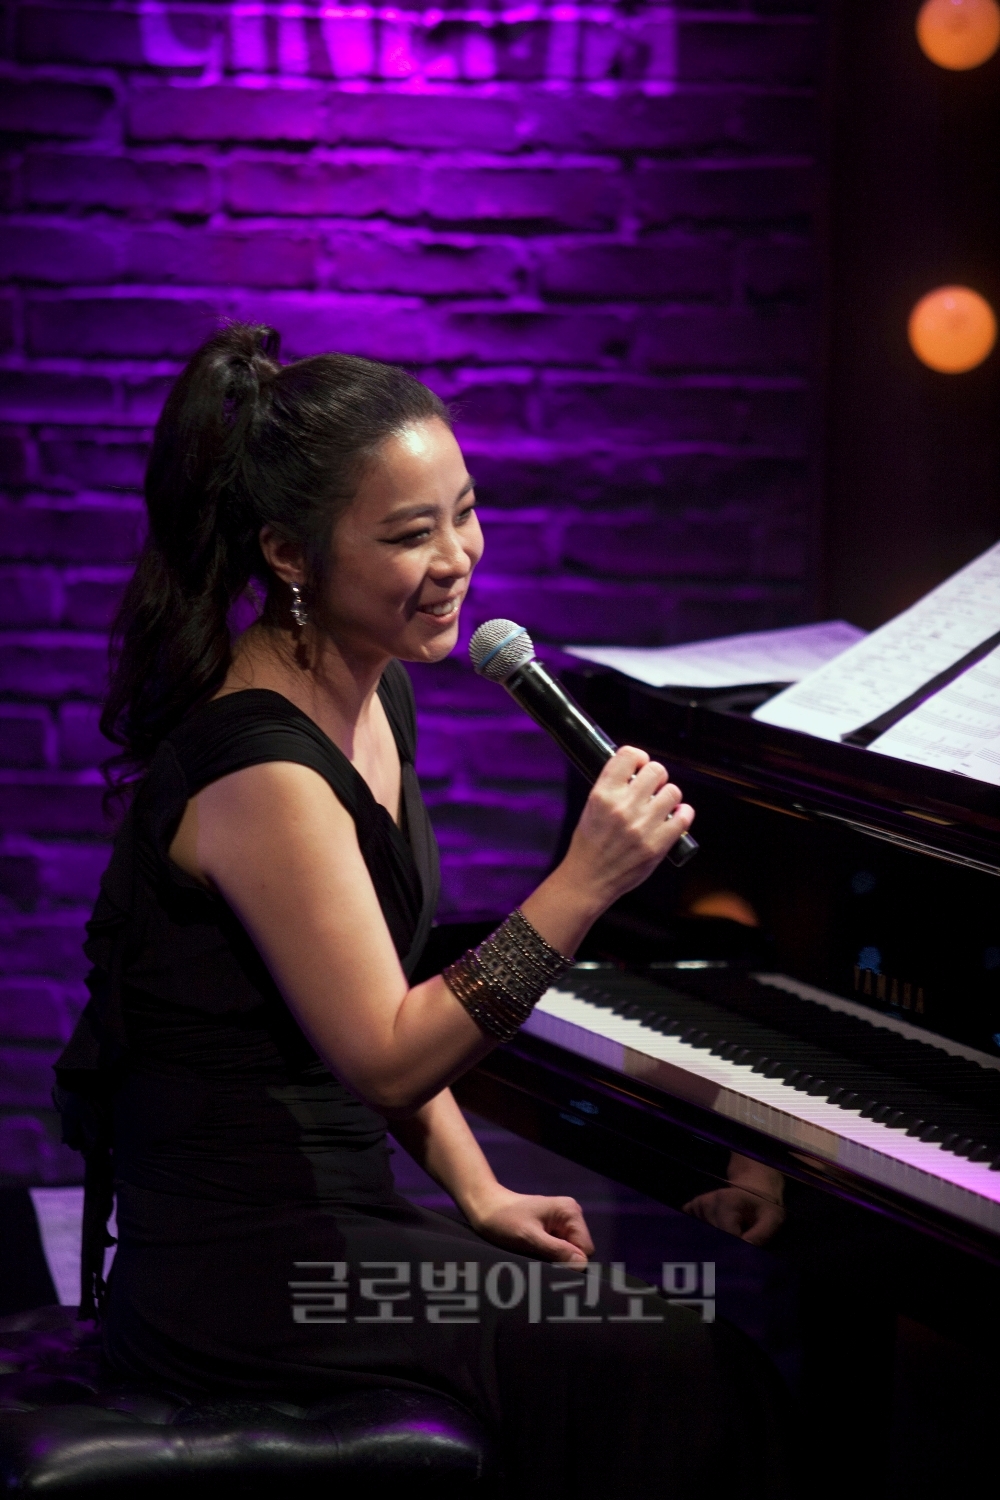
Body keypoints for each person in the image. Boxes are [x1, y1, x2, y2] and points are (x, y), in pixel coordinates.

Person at [57, 323, 789, 1499]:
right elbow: (389, 1054)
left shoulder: (375, 690)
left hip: (340, 1223)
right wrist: (583, 883)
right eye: (409, 534)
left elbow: (374, 991)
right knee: (678, 1368)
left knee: (682, 1355)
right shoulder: (264, 772)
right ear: (288, 553)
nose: (457, 559)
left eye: (465, 513)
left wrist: (478, 1190)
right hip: (249, 1275)